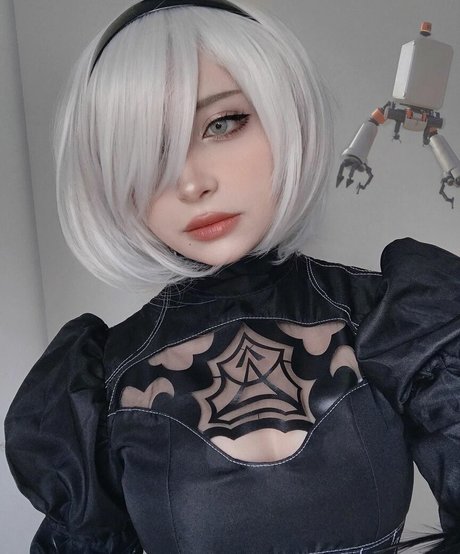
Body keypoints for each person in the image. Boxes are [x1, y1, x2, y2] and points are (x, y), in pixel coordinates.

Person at [4, 1, 460, 552]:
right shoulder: (95, 388)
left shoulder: (400, 323)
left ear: (285, 115)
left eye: (222, 123)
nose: (190, 182)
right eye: (147, 150)